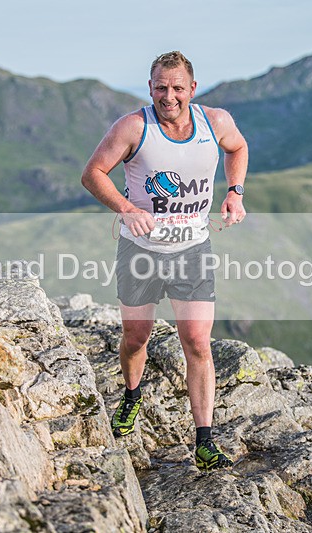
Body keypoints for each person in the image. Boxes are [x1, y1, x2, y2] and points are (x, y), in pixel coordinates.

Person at [81, 51, 248, 471]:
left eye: (177, 88)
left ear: (193, 88)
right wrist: (126, 208)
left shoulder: (216, 123)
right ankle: (132, 395)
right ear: (150, 87)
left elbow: (238, 147)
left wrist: (235, 191)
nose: (168, 96)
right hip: (141, 252)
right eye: (160, 87)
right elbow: (93, 173)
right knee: (137, 337)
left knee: (196, 341)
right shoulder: (134, 127)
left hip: (192, 251)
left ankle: (205, 441)